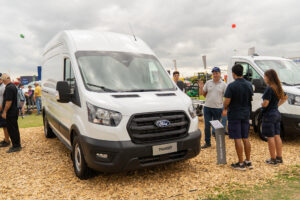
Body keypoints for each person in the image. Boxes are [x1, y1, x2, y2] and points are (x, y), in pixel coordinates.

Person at [223, 64, 253, 170]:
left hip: (235, 114)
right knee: (245, 137)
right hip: (246, 114)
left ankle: (240, 164)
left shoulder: (231, 86)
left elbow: (227, 101)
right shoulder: (249, 85)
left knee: (237, 138)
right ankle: (248, 162)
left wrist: (224, 108)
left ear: (233, 74)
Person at [261, 69, 287, 165]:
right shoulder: (278, 87)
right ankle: (279, 157)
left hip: (269, 115)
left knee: (270, 137)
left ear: (269, 77)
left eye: (265, 76)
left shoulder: (269, 88)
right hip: (276, 113)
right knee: (277, 136)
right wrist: (277, 105)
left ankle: (273, 159)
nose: (264, 78)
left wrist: (262, 105)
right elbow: (285, 97)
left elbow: (266, 102)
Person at [199, 67, 227, 148]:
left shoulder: (224, 84)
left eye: (216, 73)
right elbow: (203, 94)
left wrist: (225, 108)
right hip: (207, 107)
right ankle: (207, 143)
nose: (215, 74)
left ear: (220, 73)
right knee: (207, 126)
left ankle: (219, 143)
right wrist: (201, 86)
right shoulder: (208, 83)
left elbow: (226, 97)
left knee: (216, 127)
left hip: (218, 108)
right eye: (213, 73)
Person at [1, 73, 21, 153]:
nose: (2, 81)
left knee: (12, 129)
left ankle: (16, 146)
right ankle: (16, 145)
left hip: (10, 112)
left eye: (2, 80)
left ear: (4, 80)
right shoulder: (12, 86)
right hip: (13, 111)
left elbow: (9, 101)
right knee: (14, 128)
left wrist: (4, 111)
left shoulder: (9, 88)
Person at [0, 73, 10, 147]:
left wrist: (3, 108)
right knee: (3, 125)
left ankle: (7, 140)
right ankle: (6, 139)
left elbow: (5, 99)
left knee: (5, 125)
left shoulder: (3, 87)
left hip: (1, 108)